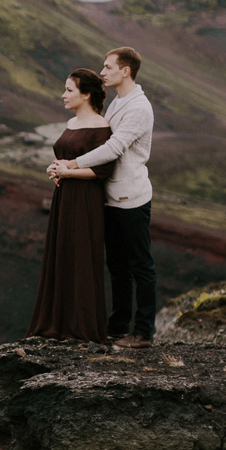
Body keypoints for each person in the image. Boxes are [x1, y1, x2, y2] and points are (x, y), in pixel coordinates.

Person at [49, 46, 156, 348]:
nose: (103, 72)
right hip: (110, 196)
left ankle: (144, 332)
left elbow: (113, 149)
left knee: (141, 265)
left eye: (108, 67)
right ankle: (119, 325)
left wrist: (71, 165)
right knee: (118, 266)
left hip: (131, 197)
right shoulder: (118, 104)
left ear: (126, 71)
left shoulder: (138, 107)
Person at [27, 69, 115, 342]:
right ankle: (58, 323)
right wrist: (56, 169)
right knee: (62, 254)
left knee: (80, 258)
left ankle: (80, 328)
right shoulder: (71, 123)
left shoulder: (101, 127)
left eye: (69, 90)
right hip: (65, 197)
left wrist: (67, 173)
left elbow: (103, 171)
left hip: (85, 201)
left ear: (86, 94)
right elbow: (66, 157)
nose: (63, 95)